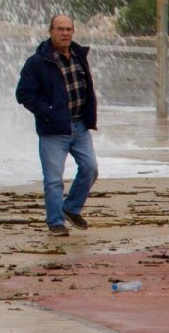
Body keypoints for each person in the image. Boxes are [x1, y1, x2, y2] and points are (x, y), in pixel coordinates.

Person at [15, 14, 99, 236]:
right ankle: (55, 222)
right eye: (60, 29)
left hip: (79, 126)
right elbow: (23, 94)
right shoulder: (38, 62)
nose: (65, 33)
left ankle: (71, 208)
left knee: (90, 168)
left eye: (69, 29)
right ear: (50, 31)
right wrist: (48, 112)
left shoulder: (79, 55)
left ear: (73, 31)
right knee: (53, 180)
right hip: (53, 130)